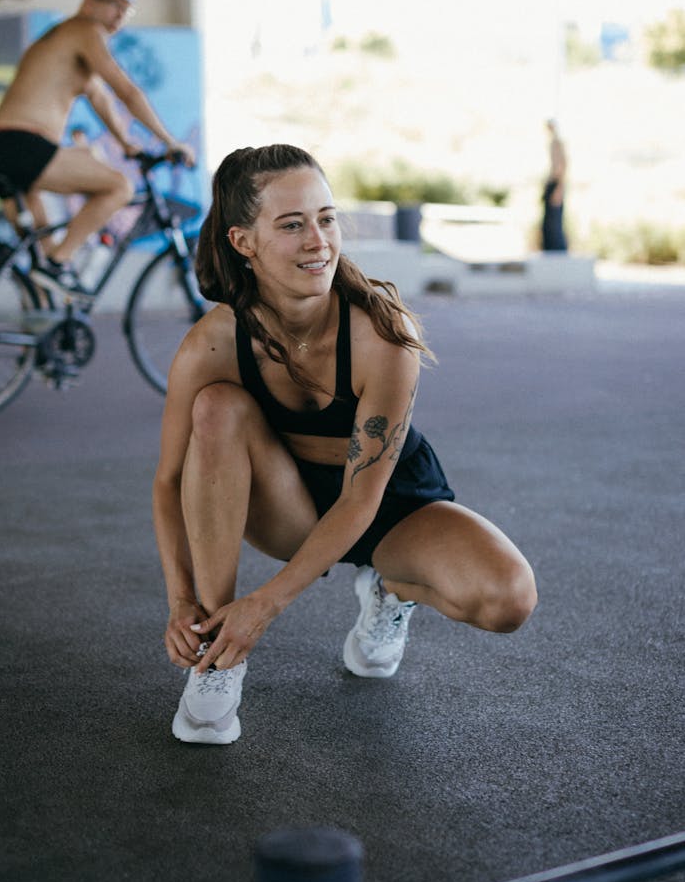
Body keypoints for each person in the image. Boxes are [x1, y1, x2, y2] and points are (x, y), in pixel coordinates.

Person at [152, 144, 537, 745]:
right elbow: (170, 482)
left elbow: (362, 499)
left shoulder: (383, 333)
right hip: (288, 505)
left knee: (507, 599)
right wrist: (182, 602)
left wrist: (268, 605)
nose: (318, 240)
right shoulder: (213, 344)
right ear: (243, 241)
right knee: (217, 409)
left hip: (387, 505)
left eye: (326, 218)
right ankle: (217, 658)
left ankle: (388, 587)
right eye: (292, 224)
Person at [0, 0, 195, 294]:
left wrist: (128, 145)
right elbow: (126, 92)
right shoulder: (84, 28)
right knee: (118, 187)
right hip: (22, 145)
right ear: (89, 1)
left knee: (41, 266)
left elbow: (102, 100)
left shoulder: (65, 43)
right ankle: (60, 261)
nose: (120, 15)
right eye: (114, 4)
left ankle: (40, 323)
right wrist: (170, 141)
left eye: (127, 10)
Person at [541, 119, 568, 252]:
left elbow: (562, 166)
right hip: (551, 183)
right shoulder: (552, 143)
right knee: (548, 223)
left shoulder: (558, 143)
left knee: (554, 223)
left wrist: (559, 188)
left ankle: (558, 250)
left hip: (556, 184)